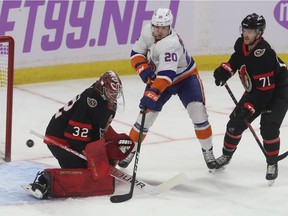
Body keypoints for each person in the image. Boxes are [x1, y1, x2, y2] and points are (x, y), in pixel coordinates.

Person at [118, 8, 216, 171]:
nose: (158, 31)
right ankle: (129, 151)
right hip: (160, 78)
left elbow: (167, 76)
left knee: (198, 112)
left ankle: (208, 151)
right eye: (156, 26)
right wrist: (143, 69)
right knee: (145, 117)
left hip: (185, 78)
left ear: (169, 27)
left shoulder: (171, 43)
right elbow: (136, 53)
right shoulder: (147, 31)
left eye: (163, 28)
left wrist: (150, 94)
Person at [24, 70, 135, 199]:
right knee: (86, 173)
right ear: (102, 88)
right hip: (60, 140)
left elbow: (99, 127)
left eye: (116, 93)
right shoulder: (89, 101)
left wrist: (114, 139)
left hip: (77, 137)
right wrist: (92, 157)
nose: (114, 95)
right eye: (111, 91)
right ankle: (44, 181)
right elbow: (74, 138)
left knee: (104, 160)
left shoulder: (105, 101)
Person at [213, 13, 288, 182]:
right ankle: (226, 156)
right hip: (258, 90)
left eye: (251, 31)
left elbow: (265, 93)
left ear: (259, 33)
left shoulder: (265, 55)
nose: (246, 34)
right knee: (234, 123)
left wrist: (248, 108)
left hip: (277, 92)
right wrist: (226, 71)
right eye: (245, 29)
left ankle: (272, 161)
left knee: (268, 127)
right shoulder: (242, 44)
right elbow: (236, 60)